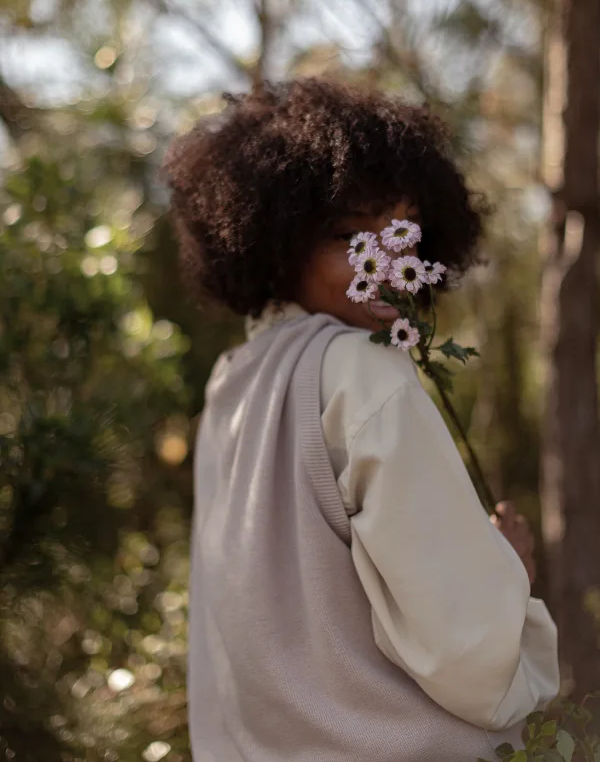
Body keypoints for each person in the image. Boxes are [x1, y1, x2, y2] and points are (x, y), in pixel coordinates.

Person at [163, 78, 559, 762]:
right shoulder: (363, 368)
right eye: (349, 234)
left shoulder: (231, 382)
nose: (385, 263)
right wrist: (508, 574)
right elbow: (465, 650)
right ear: (278, 240)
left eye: (402, 231)